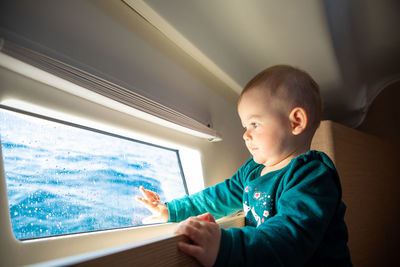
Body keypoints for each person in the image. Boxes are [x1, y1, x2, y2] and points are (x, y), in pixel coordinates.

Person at [136, 65, 352, 266]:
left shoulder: (312, 176)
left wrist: (225, 244)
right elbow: (217, 197)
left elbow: (289, 236)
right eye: (244, 126)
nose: (245, 135)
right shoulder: (252, 171)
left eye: (254, 124)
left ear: (295, 122)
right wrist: (172, 210)